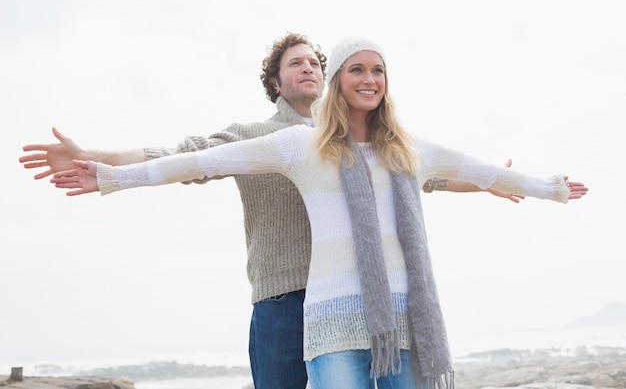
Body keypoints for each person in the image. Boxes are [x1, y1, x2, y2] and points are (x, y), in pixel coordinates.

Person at [47, 36, 587, 389]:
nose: (309, 67)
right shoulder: (273, 138)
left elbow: (438, 176)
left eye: (316, 61)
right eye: (296, 63)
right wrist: (103, 165)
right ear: (277, 82)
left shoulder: (390, 146)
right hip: (290, 299)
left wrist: (517, 185)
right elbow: (188, 159)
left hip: (383, 299)